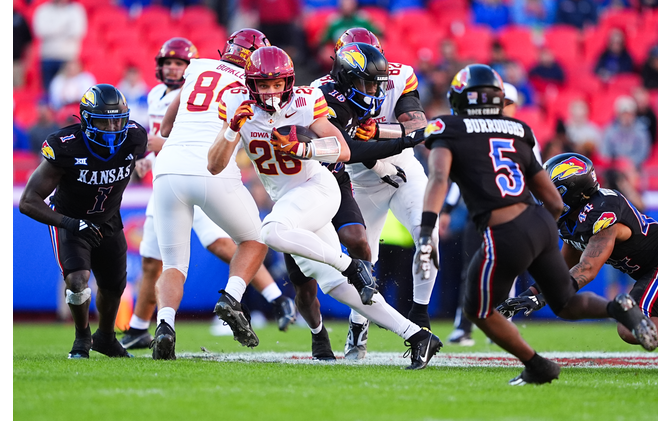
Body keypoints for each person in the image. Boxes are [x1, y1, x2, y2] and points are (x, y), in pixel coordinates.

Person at [415, 64, 658, 385]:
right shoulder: (519, 132)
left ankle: (540, 363)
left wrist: (426, 227)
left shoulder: (604, 211)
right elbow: (565, 261)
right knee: (565, 305)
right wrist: (535, 290)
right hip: (543, 230)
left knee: (480, 309)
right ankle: (611, 311)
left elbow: (585, 270)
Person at [209, 45, 442, 369]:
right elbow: (214, 165)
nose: (272, 91)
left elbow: (342, 149)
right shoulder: (235, 103)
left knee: (270, 232)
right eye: (264, 84)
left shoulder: (305, 100)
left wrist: (305, 148)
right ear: (250, 84)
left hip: (318, 189)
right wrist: (232, 129)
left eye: (278, 84)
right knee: (336, 287)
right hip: (290, 200)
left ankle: (351, 266)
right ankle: (418, 336)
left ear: (289, 82)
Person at [120, 36, 296, 351]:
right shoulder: (253, 83)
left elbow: (166, 127)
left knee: (173, 263)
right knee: (256, 240)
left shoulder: (197, 70)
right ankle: (232, 297)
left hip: (169, 170)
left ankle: (165, 326)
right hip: (214, 168)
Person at [310, 30, 435, 360]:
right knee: (364, 257)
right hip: (358, 177)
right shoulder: (324, 92)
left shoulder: (398, 76)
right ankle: (358, 326)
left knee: (428, 237)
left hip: (402, 168)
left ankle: (420, 316)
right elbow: (345, 147)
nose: (375, 85)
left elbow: (419, 126)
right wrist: (375, 155)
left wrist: (380, 131)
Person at [18, 84, 148, 359]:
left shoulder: (135, 137)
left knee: (114, 286)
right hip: (71, 219)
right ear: (87, 119)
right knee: (77, 280)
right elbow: (28, 200)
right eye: (104, 120)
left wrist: (148, 162)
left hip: (109, 219)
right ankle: (81, 338)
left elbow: (148, 148)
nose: (112, 127)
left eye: (117, 119)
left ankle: (106, 337)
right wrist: (69, 223)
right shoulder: (66, 146)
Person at [496, 152, 658, 349]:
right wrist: (529, 293)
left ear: (572, 191)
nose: (544, 195)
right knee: (631, 326)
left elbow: (587, 269)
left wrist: (543, 298)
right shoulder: (569, 221)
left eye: (550, 189)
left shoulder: (602, 209)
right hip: (649, 270)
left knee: (632, 326)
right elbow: (561, 270)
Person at [443, 82, 540, 346]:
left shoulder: (522, 133)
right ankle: (464, 326)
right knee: (471, 269)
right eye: (501, 102)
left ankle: (501, 323)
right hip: (480, 212)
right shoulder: (477, 131)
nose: (503, 107)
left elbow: (537, 175)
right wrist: (448, 209)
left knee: (508, 268)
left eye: (508, 103)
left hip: (512, 212)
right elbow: (458, 174)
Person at [32, 0, 88, 92]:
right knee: (48, 92)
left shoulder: (76, 10)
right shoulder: (43, 10)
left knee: (67, 92)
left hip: (68, 58)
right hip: (48, 57)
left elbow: (77, 31)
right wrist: (64, 27)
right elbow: (40, 31)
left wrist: (53, 29)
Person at [600, 95, 651, 169]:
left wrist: (629, 163)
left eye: (629, 114)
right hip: (614, 168)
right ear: (618, 115)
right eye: (624, 114)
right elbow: (605, 152)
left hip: (635, 168)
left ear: (634, 115)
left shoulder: (641, 131)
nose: (626, 117)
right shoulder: (609, 131)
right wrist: (616, 163)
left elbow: (643, 153)